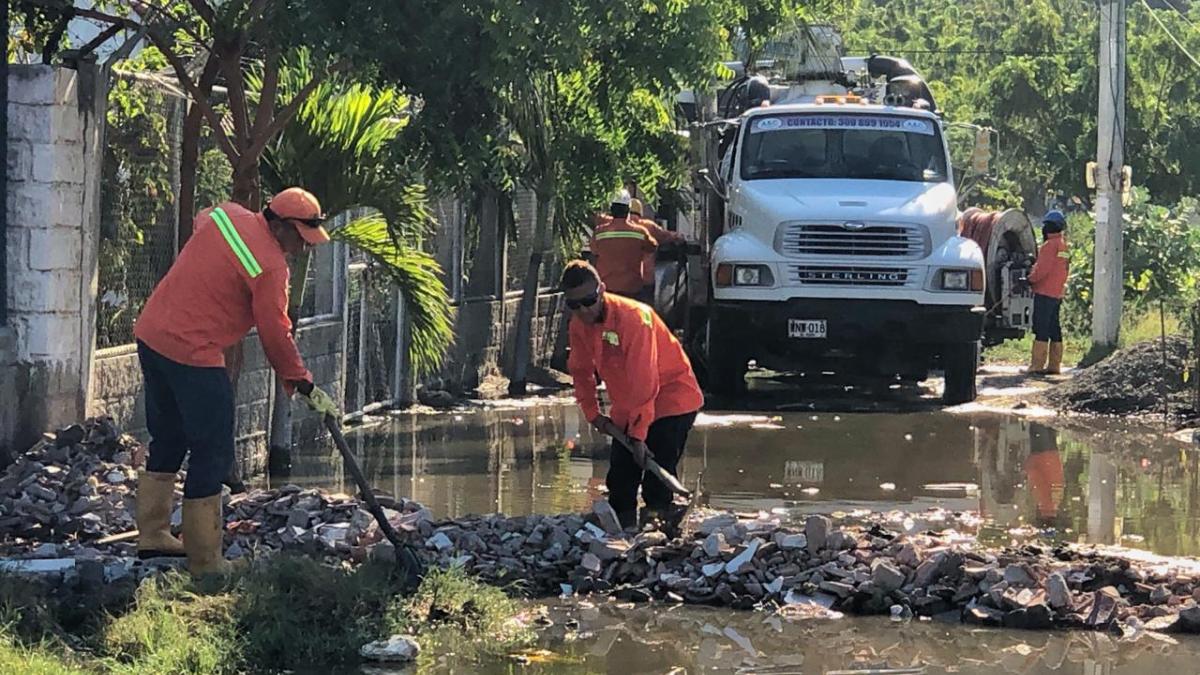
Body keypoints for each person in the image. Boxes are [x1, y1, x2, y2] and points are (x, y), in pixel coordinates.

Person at [132, 188, 339, 575]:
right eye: (298, 238)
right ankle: (206, 560)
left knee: (170, 437)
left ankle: (153, 535)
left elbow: (202, 218)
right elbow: (275, 332)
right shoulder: (271, 266)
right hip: (192, 351)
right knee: (213, 451)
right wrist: (302, 381)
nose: (302, 249)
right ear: (277, 225)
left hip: (152, 336)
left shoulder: (226, 216)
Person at [562, 260, 703, 528]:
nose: (583, 310)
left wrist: (638, 437)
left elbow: (644, 380)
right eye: (574, 305)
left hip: (672, 399)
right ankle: (620, 528)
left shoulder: (635, 319)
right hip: (629, 405)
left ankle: (658, 528)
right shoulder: (579, 325)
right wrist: (593, 414)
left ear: (601, 290)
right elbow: (581, 371)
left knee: (656, 476)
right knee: (621, 478)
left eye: (589, 301)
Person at [590, 190, 658, 304]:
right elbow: (653, 246)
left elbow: (594, 251)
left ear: (612, 210)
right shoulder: (640, 232)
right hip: (632, 289)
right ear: (628, 210)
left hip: (607, 288)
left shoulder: (599, 232)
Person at [1027, 210, 1070, 375]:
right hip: (1057, 292)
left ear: (1049, 227)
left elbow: (1042, 269)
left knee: (1041, 327)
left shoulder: (1048, 246)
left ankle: (1037, 365)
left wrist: (1030, 279)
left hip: (1044, 292)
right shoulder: (1063, 245)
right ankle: (1054, 365)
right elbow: (1064, 268)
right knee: (1054, 328)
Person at [629, 198, 685, 306]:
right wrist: (679, 237)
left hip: (623, 280)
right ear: (640, 211)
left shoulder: (619, 227)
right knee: (646, 312)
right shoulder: (648, 226)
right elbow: (666, 235)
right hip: (645, 279)